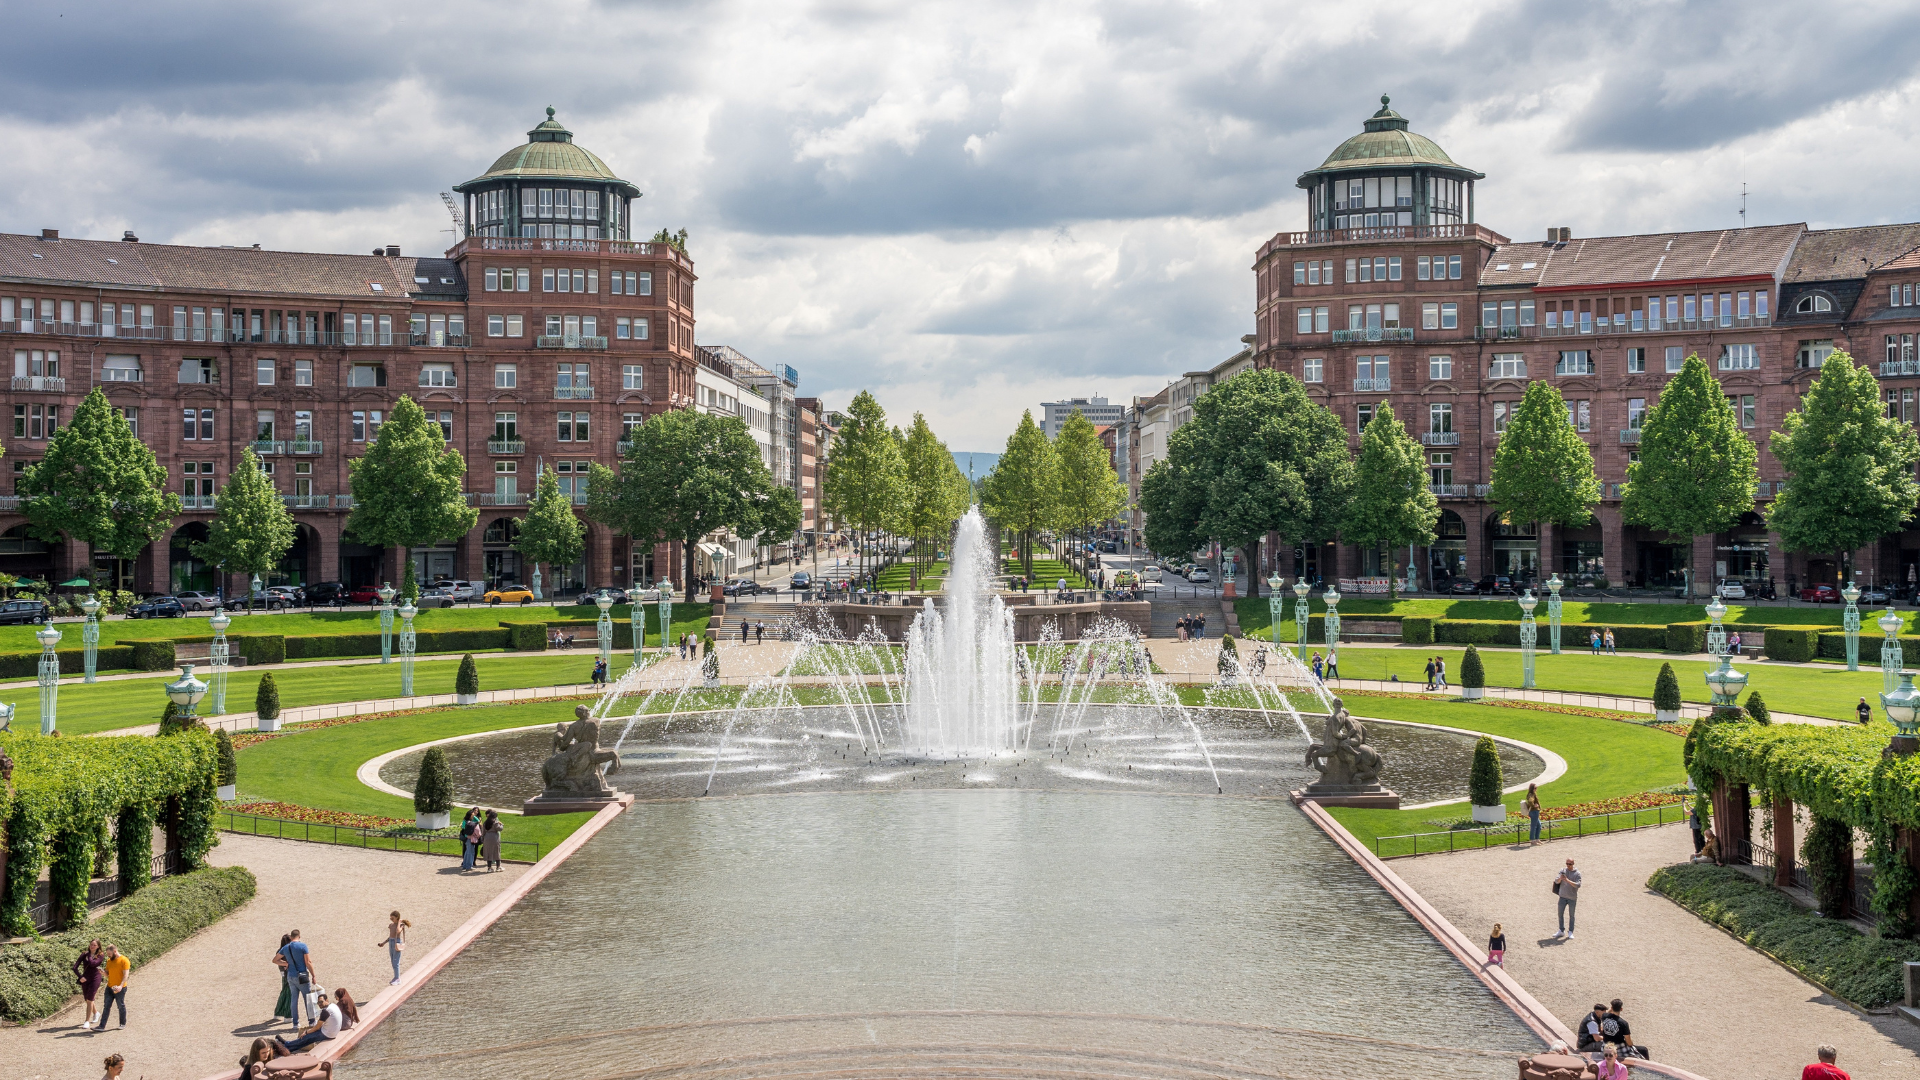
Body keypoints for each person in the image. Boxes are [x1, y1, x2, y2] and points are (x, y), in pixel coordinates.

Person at [277, 990, 341, 1053]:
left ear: (327, 1000)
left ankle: (286, 1044)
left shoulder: (326, 1011)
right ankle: (289, 1048)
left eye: (321, 1002)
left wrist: (306, 1032)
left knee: (307, 1037)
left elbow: (317, 1027)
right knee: (308, 1040)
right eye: (318, 1003)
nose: (320, 1004)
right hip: (334, 1032)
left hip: (328, 1034)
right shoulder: (333, 1005)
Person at [278, 930, 317, 1027]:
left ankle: (295, 1023)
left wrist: (285, 963)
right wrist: (313, 975)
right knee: (307, 999)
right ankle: (312, 1021)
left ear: (291, 937)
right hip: (302, 976)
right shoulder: (303, 946)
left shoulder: (286, 947)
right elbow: (308, 962)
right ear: (299, 936)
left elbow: (275, 960)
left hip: (290, 976)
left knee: (294, 1000)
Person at [73, 938, 104, 1029]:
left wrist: (89, 955)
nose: (92, 946)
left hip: (95, 978)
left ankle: (86, 1021)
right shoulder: (84, 954)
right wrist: (80, 977)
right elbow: (75, 967)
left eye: (94, 945)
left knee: (90, 999)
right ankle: (96, 1013)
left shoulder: (100, 955)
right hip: (85, 978)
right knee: (87, 999)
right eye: (91, 945)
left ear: (98, 946)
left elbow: (92, 964)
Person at [99, 943, 130, 1029]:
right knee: (106, 1006)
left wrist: (120, 986)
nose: (108, 956)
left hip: (120, 988)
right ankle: (101, 1026)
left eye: (109, 954)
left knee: (120, 1006)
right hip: (109, 987)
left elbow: (125, 975)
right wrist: (103, 973)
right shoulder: (109, 961)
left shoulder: (124, 960)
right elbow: (108, 974)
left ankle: (122, 1023)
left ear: (115, 951)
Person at [376, 912, 410, 984]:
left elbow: (398, 931)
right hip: (391, 942)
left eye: (392, 918)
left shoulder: (401, 925)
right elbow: (390, 936)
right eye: (390, 918)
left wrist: (399, 922)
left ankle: (398, 978)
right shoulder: (391, 925)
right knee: (392, 961)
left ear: (397, 917)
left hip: (396, 942)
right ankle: (395, 977)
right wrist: (383, 943)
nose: (391, 919)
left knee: (396, 962)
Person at [1553, 858, 1582, 938]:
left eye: (1570, 864)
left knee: (1571, 915)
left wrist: (1567, 880)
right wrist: (1560, 878)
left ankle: (1570, 931)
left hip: (1572, 898)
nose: (1568, 866)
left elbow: (1578, 885)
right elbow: (1556, 881)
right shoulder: (1563, 871)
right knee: (1560, 914)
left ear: (1573, 864)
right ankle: (1561, 930)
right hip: (1562, 896)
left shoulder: (1577, 874)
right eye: (1567, 864)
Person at [272, 933, 295, 1022]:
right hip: (288, 974)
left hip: (284, 974)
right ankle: (288, 1015)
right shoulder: (286, 951)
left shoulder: (280, 950)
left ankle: (278, 1012)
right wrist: (286, 964)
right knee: (290, 994)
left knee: (284, 993)